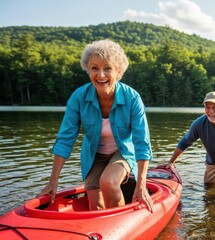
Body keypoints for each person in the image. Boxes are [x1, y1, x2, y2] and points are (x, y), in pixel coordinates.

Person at [38, 39, 154, 212]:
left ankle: (120, 226)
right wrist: (53, 181)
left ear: (118, 71)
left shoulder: (132, 98)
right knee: (96, 206)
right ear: (88, 70)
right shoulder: (79, 97)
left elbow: (142, 143)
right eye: (95, 68)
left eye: (107, 68)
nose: (100, 75)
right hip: (94, 155)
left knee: (108, 182)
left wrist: (141, 185)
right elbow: (65, 140)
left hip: (121, 151)